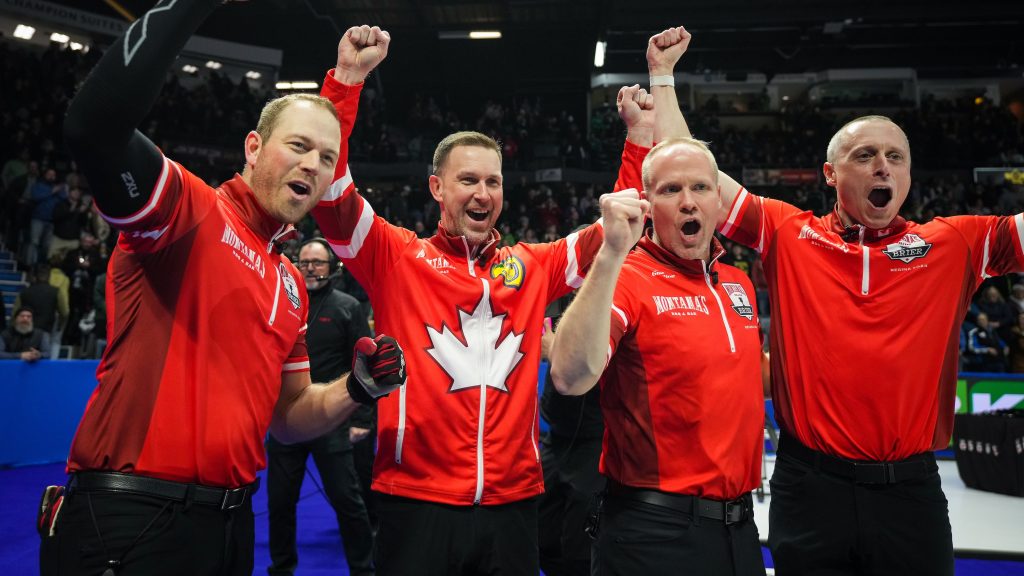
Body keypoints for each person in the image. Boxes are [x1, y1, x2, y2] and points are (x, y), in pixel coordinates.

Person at [641, 24, 1024, 576]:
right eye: (865, 155)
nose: (882, 166)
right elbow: (688, 167)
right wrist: (663, 77)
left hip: (910, 491)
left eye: (895, 156)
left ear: (910, 174)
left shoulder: (954, 242)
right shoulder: (787, 232)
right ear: (830, 173)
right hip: (809, 486)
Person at [42, 3, 405, 575]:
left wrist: (357, 389)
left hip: (232, 526)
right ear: (253, 148)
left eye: (327, 158)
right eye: (297, 148)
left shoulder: (289, 280)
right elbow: (94, 127)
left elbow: (289, 417)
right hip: (130, 518)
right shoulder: (191, 211)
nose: (313, 165)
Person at [310, 28, 643, 575]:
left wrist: (639, 138)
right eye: (468, 180)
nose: (483, 193)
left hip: (513, 505)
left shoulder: (532, 265)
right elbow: (330, 192)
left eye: (493, 181)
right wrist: (346, 82)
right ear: (437, 187)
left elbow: (619, 226)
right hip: (415, 499)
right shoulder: (396, 256)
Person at [551, 102, 767, 575]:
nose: (689, 201)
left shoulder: (737, 282)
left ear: (718, 201)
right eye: (671, 190)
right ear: (648, 205)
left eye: (700, 188)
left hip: (740, 529)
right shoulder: (628, 276)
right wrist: (609, 255)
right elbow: (569, 376)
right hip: (653, 531)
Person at [266, 238, 376, 576]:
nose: (310, 268)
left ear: (333, 268)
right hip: (286, 422)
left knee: (347, 500)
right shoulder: (282, 302)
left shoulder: (347, 306)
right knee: (280, 502)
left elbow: (365, 366)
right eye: (304, 262)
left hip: (331, 420)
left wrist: (362, 419)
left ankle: (363, 569)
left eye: (317, 263)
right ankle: (282, 569)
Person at [536, 295, 605, 576]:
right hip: (556, 435)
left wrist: (556, 350)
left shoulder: (621, 282)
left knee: (582, 550)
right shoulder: (565, 282)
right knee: (541, 536)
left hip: (596, 441)